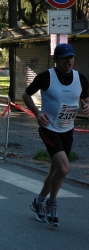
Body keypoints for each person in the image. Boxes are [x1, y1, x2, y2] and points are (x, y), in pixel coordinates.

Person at [22, 43, 89, 227]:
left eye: (71, 57)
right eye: (65, 58)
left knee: (56, 171)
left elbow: (85, 100)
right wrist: (37, 113)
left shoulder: (80, 78)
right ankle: (52, 203)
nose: (69, 61)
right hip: (49, 128)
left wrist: (87, 106)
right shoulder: (45, 77)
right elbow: (26, 95)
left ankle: (39, 202)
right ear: (55, 59)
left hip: (67, 130)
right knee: (64, 169)